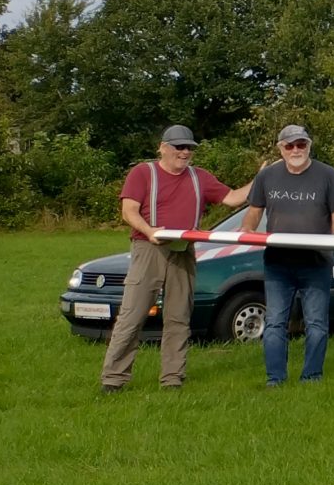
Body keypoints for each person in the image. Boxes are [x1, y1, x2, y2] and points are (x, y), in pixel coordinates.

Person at [99, 125, 239, 394]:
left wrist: (264, 178)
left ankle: (173, 378)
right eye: (179, 147)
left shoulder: (200, 177)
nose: (185, 152)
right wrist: (150, 231)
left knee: (178, 317)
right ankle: (113, 379)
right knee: (132, 315)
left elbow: (232, 199)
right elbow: (129, 211)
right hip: (148, 248)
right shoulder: (143, 172)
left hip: (183, 250)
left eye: (189, 148)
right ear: (162, 148)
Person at [234, 123, 334, 389]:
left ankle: (312, 377)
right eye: (290, 145)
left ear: (309, 145)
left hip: (316, 263)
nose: (296, 150)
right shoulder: (267, 176)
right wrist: (248, 229)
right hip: (278, 263)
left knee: (317, 323)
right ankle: (275, 378)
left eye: (301, 145)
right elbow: (254, 210)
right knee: (274, 322)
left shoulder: (328, 175)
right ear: (280, 149)